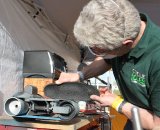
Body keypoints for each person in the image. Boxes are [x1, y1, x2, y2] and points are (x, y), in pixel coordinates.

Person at [55, 0, 160, 129]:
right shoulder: (121, 27)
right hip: (133, 118)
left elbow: (157, 124)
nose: (98, 55)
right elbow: (106, 60)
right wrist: (80, 75)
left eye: (102, 51)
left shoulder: (157, 58)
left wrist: (116, 102)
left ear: (126, 43)